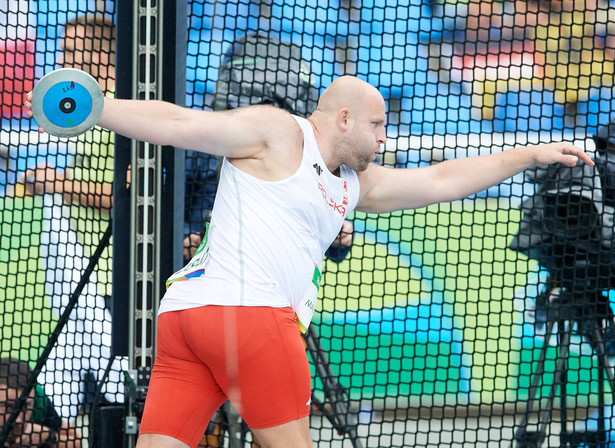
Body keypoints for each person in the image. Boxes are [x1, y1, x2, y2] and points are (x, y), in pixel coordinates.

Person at [25, 74, 594, 448]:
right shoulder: (279, 133)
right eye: (377, 125)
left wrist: (529, 154)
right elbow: (180, 125)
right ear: (343, 119)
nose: (383, 136)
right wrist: (98, 107)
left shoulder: (354, 183)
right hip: (251, 320)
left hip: (186, 320)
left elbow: (441, 179)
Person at [20, 15, 126, 422]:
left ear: (100, 56)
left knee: (113, 387)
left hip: (107, 281)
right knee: (64, 384)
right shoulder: (87, 112)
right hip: (76, 280)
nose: (61, 61)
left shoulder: (121, 113)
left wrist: (56, 183)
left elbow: (129, 193)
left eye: (69, 53)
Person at [0, 358, 81, 447]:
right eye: (8, 406)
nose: (18, 419)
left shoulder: (39, 399)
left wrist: (47, 437)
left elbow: (76, 443)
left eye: (27, 406)